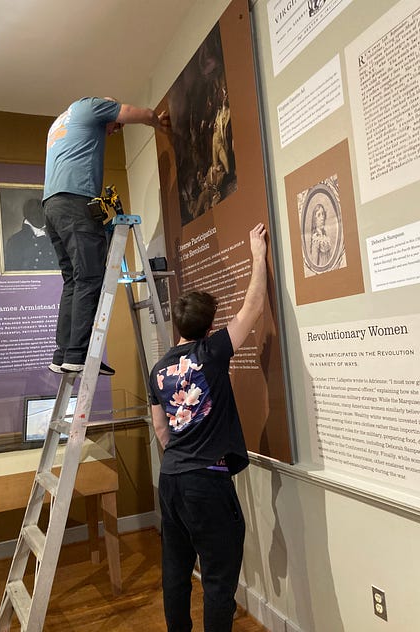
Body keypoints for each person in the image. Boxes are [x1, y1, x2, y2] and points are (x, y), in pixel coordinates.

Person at [149, 223, 267, 632]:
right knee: (219, 578)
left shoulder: (158, 368)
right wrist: (257, 254)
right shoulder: (213, 352)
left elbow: (161, 431)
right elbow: (252, 308)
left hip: (171, 479)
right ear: (208, 324)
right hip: (206, 480)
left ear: (179, 326)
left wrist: (182, 453)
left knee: (177, 572)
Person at [43, 96, 170, 375]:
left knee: (74, 281)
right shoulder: (91, 105)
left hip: (52, 207)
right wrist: (155, 120)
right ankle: (77, 355)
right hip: (76, 203)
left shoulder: (60, 122)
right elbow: (129, 111)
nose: (114, 131)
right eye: (116, 126)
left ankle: (63, 353)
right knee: (89, 278)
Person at [5, 198, 57, 272]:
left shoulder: (55, 237)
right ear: (27, 216)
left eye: (41, 212)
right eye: (34, 213)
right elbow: (12, 272)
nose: (38, 216)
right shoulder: (15, 241)